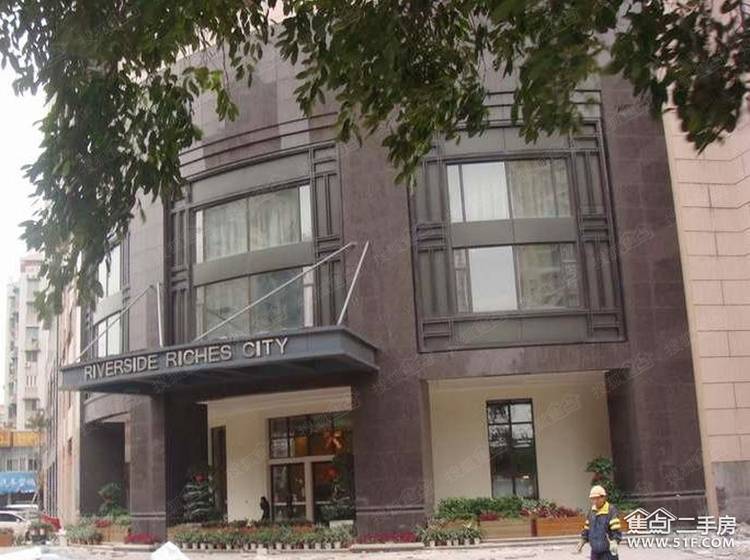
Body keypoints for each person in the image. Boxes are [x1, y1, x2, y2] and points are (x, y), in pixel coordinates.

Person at [576, 485, 622, 558]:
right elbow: (587, 528)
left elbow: (616, 529)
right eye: (592, 499)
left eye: (597, 498)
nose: (595, 501)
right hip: (595, 552)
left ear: (603, 498)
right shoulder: (591, 511)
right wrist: (582, 540)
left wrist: (615, 541)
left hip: (608, 552)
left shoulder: (611, 511)